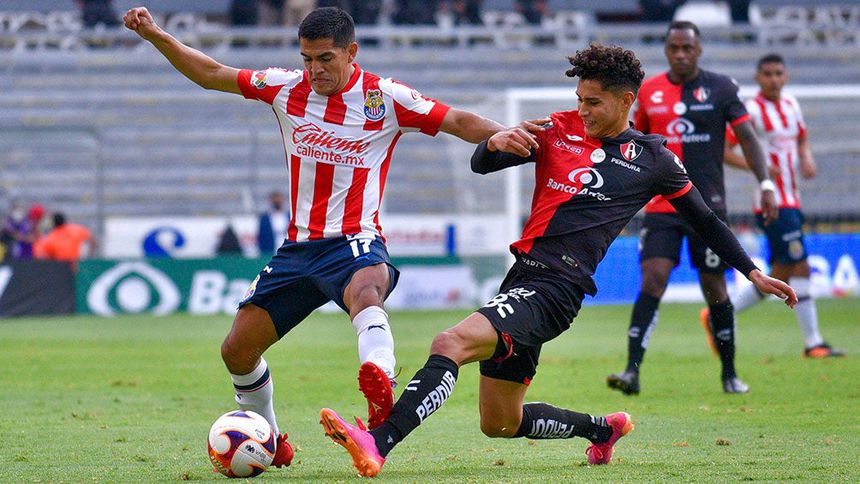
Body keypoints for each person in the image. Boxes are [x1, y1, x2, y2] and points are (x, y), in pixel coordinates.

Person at [317, 43, 797, 478]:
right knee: (499, 422)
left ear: (626, 101)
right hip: (521, 279)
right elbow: (482, 164)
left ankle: (378, 442)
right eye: (579, 99)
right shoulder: (558, 127)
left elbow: (706, 220)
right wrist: (493, 145)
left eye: (594, 102)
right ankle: (602, 428)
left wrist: (753, 272)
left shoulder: (654, 159)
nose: (582, 110)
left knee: (451, 342)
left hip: (558, 288)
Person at [124, 5, 509, 469]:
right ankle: (272, 438)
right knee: (237, 350)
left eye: (325, 58)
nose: (315, 69)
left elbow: (458, 121)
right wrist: (156, 35)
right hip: (299, 248)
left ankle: (380, 379)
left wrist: (511, 136)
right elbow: (211, 74)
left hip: (355, 240)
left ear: (351, 51)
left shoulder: (385, 98)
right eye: (307, 59)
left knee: (366, 292)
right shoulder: (286, 88)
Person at [606, 20, 778, 396]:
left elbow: (747, 137)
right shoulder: (649, 91)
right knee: (652, 280)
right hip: (661, 207)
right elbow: (636, 143)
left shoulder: (722, 88)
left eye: (688, 48)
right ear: (666, 51)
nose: (681, 54)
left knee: (714, 287)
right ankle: (631, 371)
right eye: (674, 48)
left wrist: (765, 182)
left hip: (706, 207)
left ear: (698, 50)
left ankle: (729, 373)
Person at [712, 54, 844, 358]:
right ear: (758, 78)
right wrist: (758, 169)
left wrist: (806, 157)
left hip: (793, 198)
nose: (773, 79)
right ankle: (725, 315)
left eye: (778, 73)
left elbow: (801, 138)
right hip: (771, 201)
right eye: (768, 74)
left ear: (785, 76)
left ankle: (723, 314)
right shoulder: (752, 110)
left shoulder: (791, 104)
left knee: (791, 269)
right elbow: (725, 150)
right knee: (795, 265)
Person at [257, 191, 289, 255]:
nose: (277, 203)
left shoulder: (289, 216)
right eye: (275, 201)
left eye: (279, 200)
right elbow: (262, 236)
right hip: (271, 249)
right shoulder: (265, 218)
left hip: (287, 248)